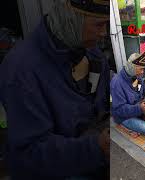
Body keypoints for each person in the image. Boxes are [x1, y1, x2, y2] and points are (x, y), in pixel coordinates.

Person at [0, 0, 109, 179]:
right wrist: (97, 147)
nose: (104, 33)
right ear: (71, 18)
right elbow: (30, 153)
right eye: (99, 24)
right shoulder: (21, 70)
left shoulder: (93, 55)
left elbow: (102, 111)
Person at [111, 49, 145, 135]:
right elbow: (119, 110)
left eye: (143, 69)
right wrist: (139, 108)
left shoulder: (138, 78)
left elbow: (143, 93)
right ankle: (132, 124)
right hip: (125, 116)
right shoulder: (117, 83)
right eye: (140, 69)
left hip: (139, 109)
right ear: (131, 67)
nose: (142, 72)